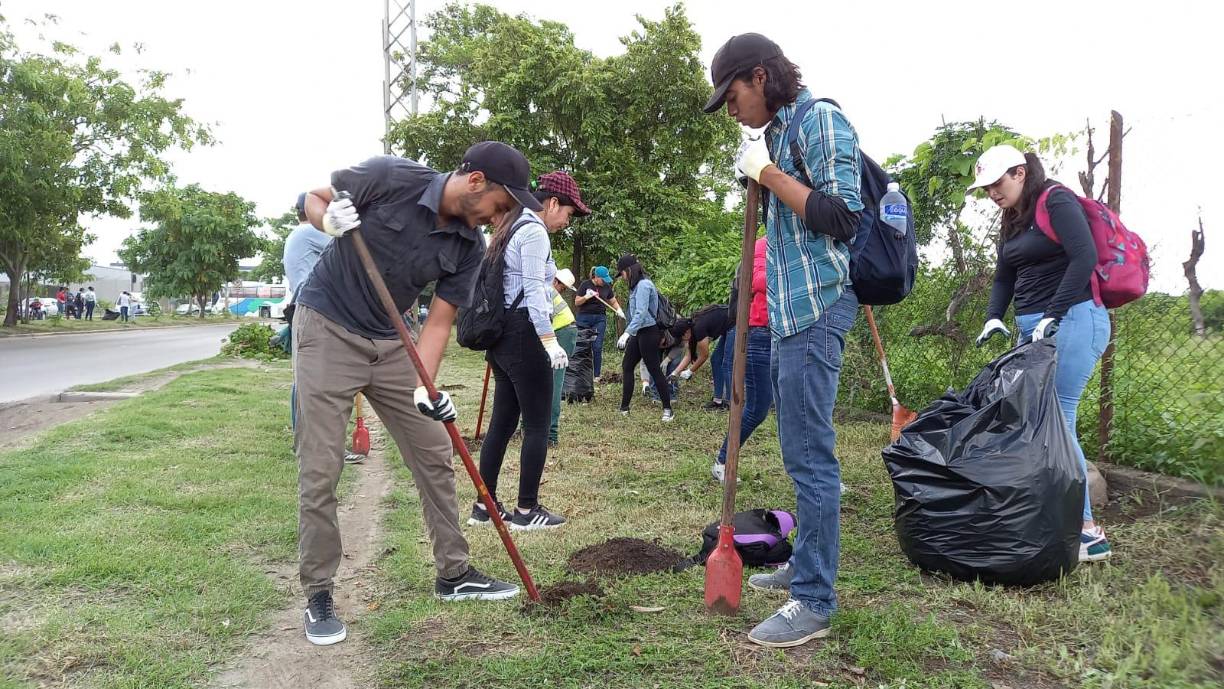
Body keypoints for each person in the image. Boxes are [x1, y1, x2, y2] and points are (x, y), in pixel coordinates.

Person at [293, 141, 537, 646]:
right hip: (327, 327)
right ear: (475, 183)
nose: (500, 217)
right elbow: (312, 198)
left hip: (390, 342)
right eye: (501, 204)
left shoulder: (468, 248)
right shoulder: (393, 176)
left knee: (434, 451)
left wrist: (427, 389)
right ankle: (319, 591)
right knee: (320, 467)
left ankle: (454, 573)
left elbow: (439, 325)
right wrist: (328, 221)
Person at [705, 33, 863, 647]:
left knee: (809, 455)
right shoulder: (779, 130)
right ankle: (805, 564)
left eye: (735, 93)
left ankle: (814, 601)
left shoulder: (820, 120)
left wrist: (768, 174)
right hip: (792, 315)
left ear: (762, 76)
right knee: (799, 448)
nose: (732, 109)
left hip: (820, 307)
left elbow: (842, 217)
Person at [969, 144, 1112, 563]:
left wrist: (1053, 313)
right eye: (986, 188)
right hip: (1033, 325)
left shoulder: (1057, 199)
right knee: (1031, 418)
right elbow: (1004, 275)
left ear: (1019, 172)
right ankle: (1050, 518)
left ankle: (1088, 533)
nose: (992, 193)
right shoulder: (1012, 217)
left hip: (1075, 318)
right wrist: (995, 316)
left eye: (997, 184)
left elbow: (1084, 256)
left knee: (1056, 416)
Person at [475, 171, 590, 531]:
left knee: (502, 423)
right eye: (568, 214)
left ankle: (484, 503)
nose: (566, 222)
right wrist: (549, 341)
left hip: (502, 337)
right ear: (552, 203)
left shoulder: (509, 226)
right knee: (537, 424)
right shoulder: (534, 231)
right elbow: (535, 294)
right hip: (525, 336)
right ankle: (527, 510)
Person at [706, 237, 773, 483]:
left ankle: (820, 475)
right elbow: (755, 281)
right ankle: (723, 461)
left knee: (804, 407)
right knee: (758, 408)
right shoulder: (763, 245)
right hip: (762, 334)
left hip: (793, 335)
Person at [282, 192, 336, 433]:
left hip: (302, 308)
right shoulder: (309, 232)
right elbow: (348, 247)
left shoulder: (296, 234)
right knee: (316, 380)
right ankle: (309, 436)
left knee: (305, 377)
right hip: (314, 311)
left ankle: (303, 434)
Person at [616, 254, 674, 422]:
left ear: (629, 270)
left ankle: (668, 409)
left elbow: (641, 313)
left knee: (654, 369)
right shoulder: (635, 287)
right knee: (627, 365)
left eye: (622, 273)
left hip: (649, 331)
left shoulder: (644, 285)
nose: (622, 277)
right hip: (639, 332)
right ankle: (624, 408)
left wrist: (627, 333)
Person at [670, 303, 733, 410]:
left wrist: (690, 371)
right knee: (716, 360)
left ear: (686, 333)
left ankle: (730, 402)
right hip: (727, 327)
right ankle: (718, 401)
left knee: (726, 363)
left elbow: (704, 356)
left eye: (682, 338)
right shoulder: (692, 326)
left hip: (735, 323)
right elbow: (689, 354)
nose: (683, 341)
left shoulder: (698, 329)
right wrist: (675, 373)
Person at [573, 265, 624, 380]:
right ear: (596, 277)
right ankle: (581, 374)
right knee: (583, 346)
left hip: (600, 319)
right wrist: (586, 296)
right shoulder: (585, 285)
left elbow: (613, 301)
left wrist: (619, 309)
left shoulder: (606, 287)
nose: (604, 282)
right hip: (584, 318)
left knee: (597, 346)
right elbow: (577, 302)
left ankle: (596, 375)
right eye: (603, 279)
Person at [548, 268, 579, 446]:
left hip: (563, 334)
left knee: (553, 382)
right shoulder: (549, 289)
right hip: (564, 332)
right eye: (564, 288)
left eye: (565, 289)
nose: (563, 291)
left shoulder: (547, 290)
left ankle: (551, 434)